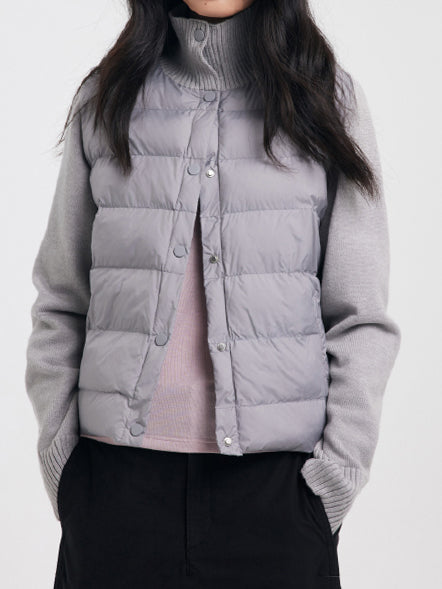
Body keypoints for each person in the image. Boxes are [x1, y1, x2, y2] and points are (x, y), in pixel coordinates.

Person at [24, 0, 401, 587]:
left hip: (278, 502)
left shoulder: (327, 99)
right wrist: (65, 466)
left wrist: (332, 483)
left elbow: (360, 318)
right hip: (112, 496)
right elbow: (61, 299)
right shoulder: (107, 97)